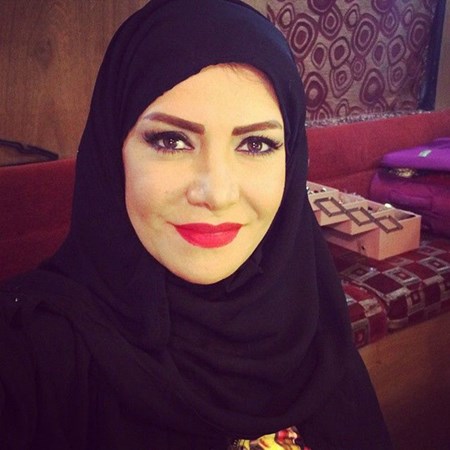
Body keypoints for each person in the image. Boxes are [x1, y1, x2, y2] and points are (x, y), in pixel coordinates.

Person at [0, 0, 392, 449]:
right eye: (171, 140)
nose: (217, 193)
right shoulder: (32, 351)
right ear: (112, 153)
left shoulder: (313, 327)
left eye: (257, 144)